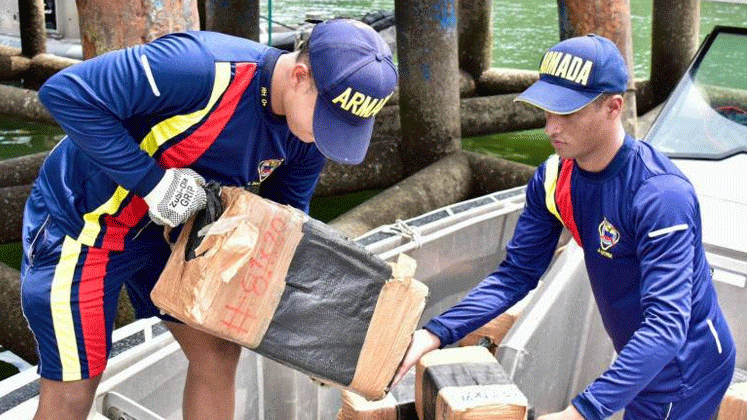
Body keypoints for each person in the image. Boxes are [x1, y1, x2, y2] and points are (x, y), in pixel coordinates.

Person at [21, 18, 397, 420]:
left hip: (172, 235)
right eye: (327, 121)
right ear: (300, 76)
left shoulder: (306, 138)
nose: (327, 137)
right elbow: (64, 94)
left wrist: (318, 331)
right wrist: (153, 184)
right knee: (74, 389)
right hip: (85, 226)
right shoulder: (198, 67)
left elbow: (284, 226)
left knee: (219, 352)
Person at [393, 34, 735, 420]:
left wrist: (581, 412)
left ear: (614, 107)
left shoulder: (659, 196)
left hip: (686, 369)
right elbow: (517, 274)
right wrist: (435, 332)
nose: (551, 128)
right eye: (547, 111)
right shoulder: (555, 178)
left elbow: (666, 327)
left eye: (567, 113)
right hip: (637, 352)